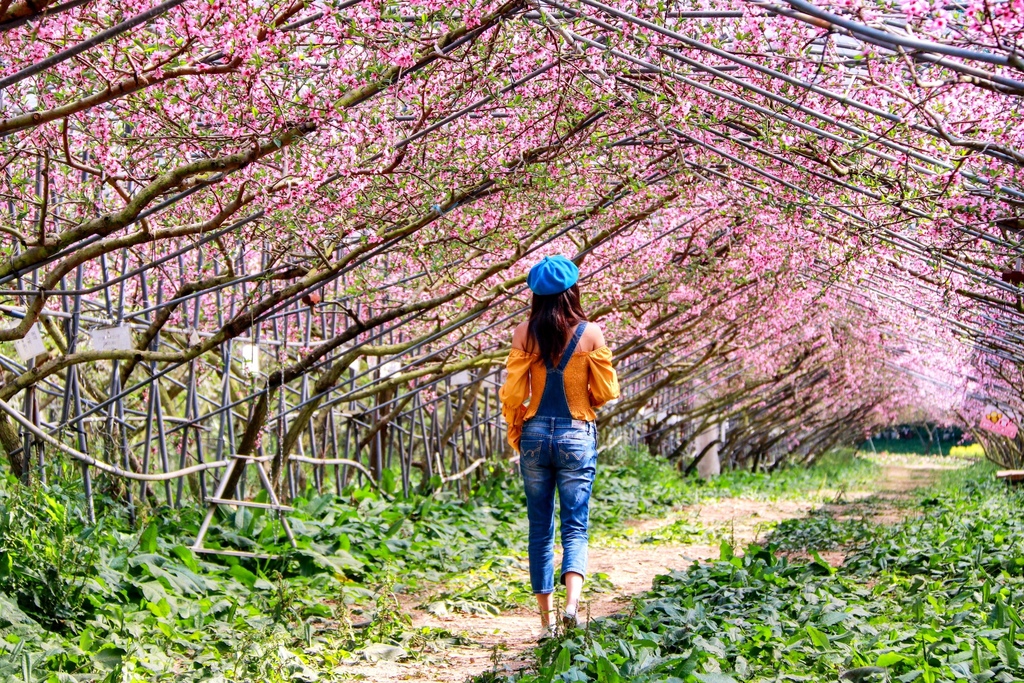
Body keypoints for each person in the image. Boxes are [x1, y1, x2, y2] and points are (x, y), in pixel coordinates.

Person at [499, 255, 620, 641]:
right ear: (573, 290)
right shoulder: (591, 333)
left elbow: (514, 393)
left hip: (535, 434)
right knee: (575, 524)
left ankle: (546, 622)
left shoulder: (523, 333)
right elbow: (605, 392)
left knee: (540, 527)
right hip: (576, 434)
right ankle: (572, 606)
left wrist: (519, 424)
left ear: (535, 295)